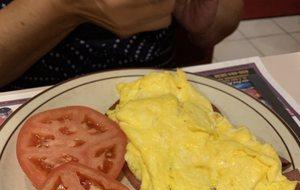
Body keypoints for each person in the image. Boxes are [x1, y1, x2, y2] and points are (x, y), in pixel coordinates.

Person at [0, 0, 243, 91]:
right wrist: (64, 6)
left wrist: (200, 17)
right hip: (25, 99)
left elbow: (221, 19)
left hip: (154, 90)